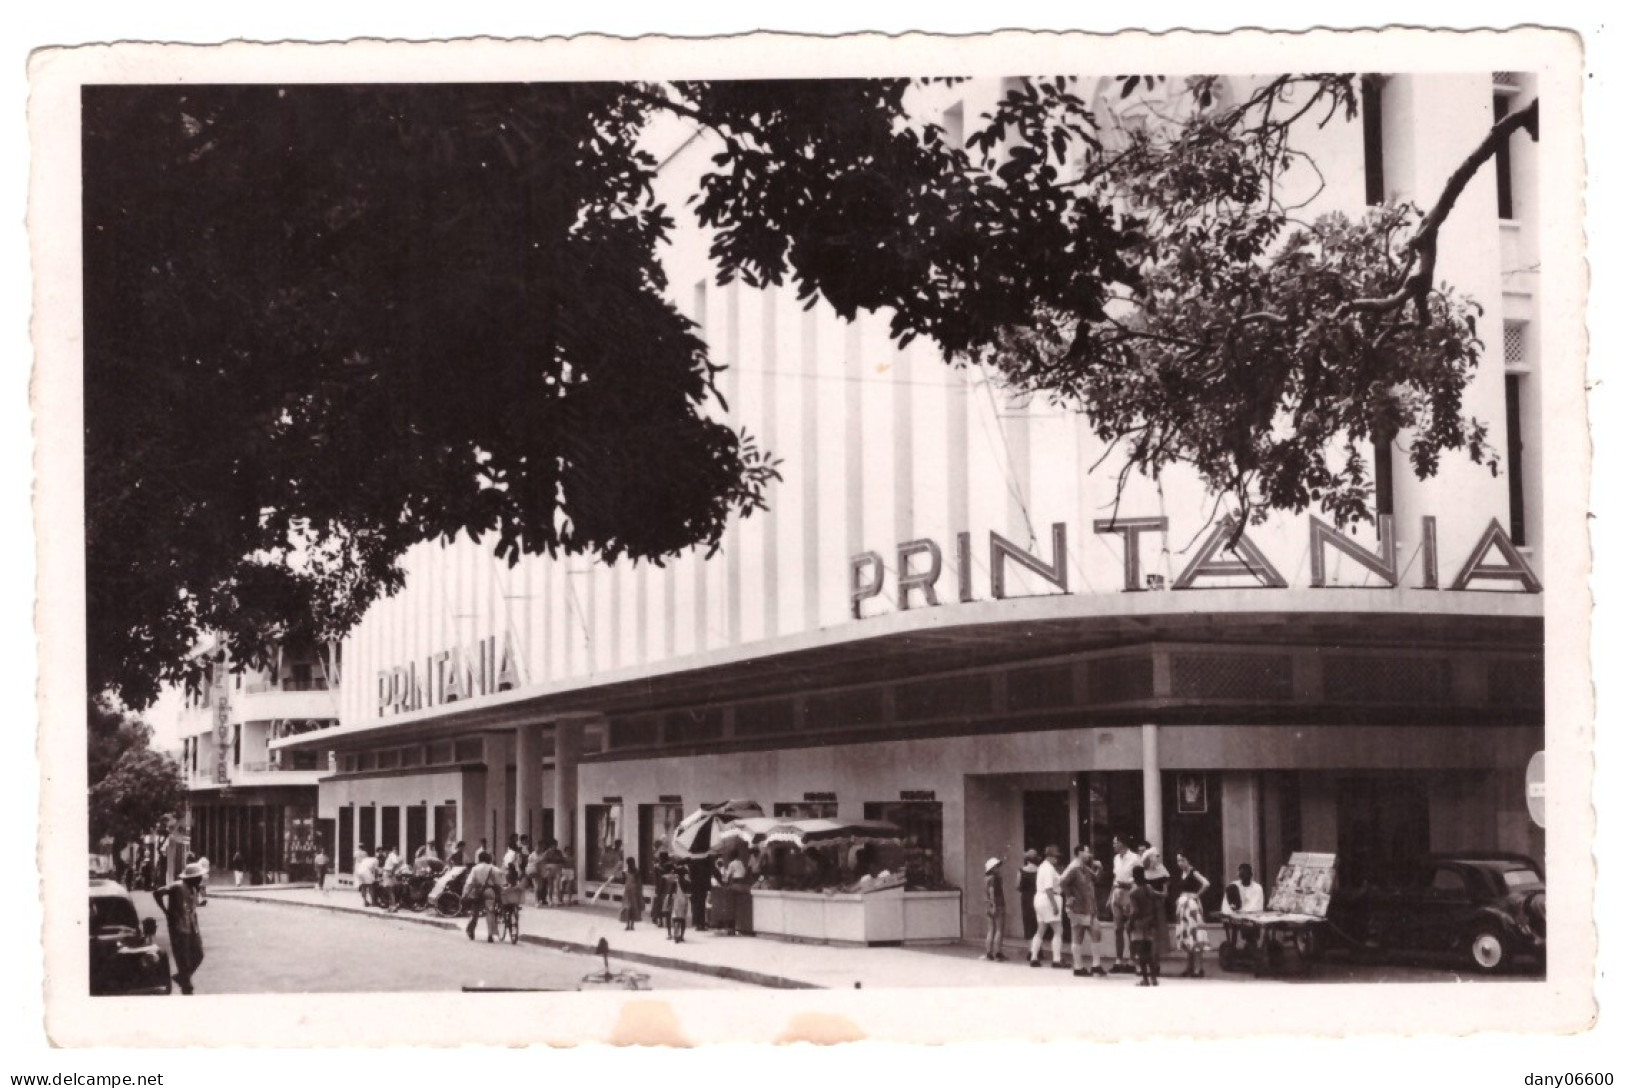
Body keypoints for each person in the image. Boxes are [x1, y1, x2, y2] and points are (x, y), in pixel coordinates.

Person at [153, 862, 206, 995]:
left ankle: (181, 977)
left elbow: (193, 910)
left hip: (191, 926)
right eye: (198, 877)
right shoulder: (177, 886)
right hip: (178, 927)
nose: (200, 879)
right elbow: (157, 893)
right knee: (182, 958)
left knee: (198, 954)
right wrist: (165, 910)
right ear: (191, 878)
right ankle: (186, 986)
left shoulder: (194, 889)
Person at [1061, 844, 1105, 977]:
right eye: (1087, 852)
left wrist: (1100, 868)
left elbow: (1096, 878)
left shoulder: (1084, 868)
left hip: (1089, 907)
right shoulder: (1074, 868)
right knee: (1078, 936)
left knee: (1096, 932)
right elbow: (1063, 881)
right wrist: (1069, 896)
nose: (1089, 854)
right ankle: (1078, 966)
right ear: (1079, 853)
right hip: (1078, 907)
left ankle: (1096, 965)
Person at [1173, 852, 1211, 978]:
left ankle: (1198, 969)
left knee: (1195, 936)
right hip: (1184, 907)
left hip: (1192, 907)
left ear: (1188, 860)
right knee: (1186, 936)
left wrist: (1196, 895)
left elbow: (1206, 883)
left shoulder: (1193, 872)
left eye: (1182, 860)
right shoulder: (1182, 874)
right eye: (1178, 860)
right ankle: (1189, 967)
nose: (1180, 863)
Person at [1107, 835, 1141, 973]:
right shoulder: (1116, 859)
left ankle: (1132, 960)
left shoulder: (1135, 858)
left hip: (1129, 893)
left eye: (1115, 842)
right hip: (1117, 893)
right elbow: (1115, 878)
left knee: (1130, 928)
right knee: (1117, 928)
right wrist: (1110, 896)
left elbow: (1139, 878)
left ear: (1122, 843)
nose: (1113, 845)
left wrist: (1128, 886)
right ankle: (1119, 960)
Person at [1029, 845, 1065, 969]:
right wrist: (1054, 905)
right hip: (1049, 898)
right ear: (1049, 856)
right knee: (1058, 930)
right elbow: (1049, 888)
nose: (1057, 859)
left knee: (1041, 929)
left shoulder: (1042, 867)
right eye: (1055, 856)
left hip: (1039, 898)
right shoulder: (1049, 868)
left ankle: (1034, 956)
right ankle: (1057, 959)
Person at [1128, 864, 1160, 986]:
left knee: (1141, 953)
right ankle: (1154, 978)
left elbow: (1135, 911)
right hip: (1150, 922)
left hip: (1139, 924)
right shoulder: (1149, 888)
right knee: (1149, 951)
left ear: (1134, 877)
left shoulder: (1134, 892)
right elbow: (1155, 903)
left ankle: (1145, 979)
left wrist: (1130, 923)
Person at [1141, 845, 1172, 964]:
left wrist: (1153, 892)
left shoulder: (1162, 871)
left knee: (1156, 934)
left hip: (1157, 906)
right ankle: (1145, 962)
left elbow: (1165, 894)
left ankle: (1155, 962)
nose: (1156, 859)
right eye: (1154, 857)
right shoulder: (1143, 873)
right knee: (1145, 934)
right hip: (1145, 905)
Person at [463, 850, 502, 942]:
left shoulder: (475, 869)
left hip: (477, 892)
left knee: (475, 912)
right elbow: (499, 882)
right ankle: (490, 935)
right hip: (489, 891)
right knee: (490, 912)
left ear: (479, 859)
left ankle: (471, 929)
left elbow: (469, 883)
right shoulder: (493, 868)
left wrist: (465, 894)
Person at [983, 857, 1007, 962]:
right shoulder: (994, 878)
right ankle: (998, 953)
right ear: (993, 868)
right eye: (997, 866)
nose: (999, 868)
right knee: (999, 929)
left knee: (990, 929)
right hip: (998, 903)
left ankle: (989, 953)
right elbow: (992, 890)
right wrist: (994, 904)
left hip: (988, 904)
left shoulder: (986, 878)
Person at [1017, 849, 1040, 942]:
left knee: (1027, 921)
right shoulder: (1039, 870)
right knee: (1037, 923)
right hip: (1037, 897)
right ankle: (1038, 949)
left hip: (1026, 898)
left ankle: (1030, 948)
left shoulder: (1021, 871)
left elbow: (1018, 886)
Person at [687, 854, 712, 931]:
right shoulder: (706, 863)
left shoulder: (692, 863)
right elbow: (708, 876)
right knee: (701, 904)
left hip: (694, 886)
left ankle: (698, 924)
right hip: (702, 887)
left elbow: (690, 876)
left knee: (696, 904)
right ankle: (701, 924)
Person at [667, 865, 691, 944]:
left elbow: (671, 893)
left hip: (676, 902)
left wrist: (669, 901)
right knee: (682, 919)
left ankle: (676, 934)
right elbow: (689, 893)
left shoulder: (675, 883)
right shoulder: (687, 883)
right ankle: (682, 936)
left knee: (676, 918)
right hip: (684, 902)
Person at [619, 856, 643, 931]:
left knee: (630, 908)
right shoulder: (633, 871)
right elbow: (623, 882)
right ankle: (630, 925)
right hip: (631, 891)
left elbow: (623, 882)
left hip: (631, 891)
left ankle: (630, 925)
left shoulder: (632, 871)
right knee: (630, 907)